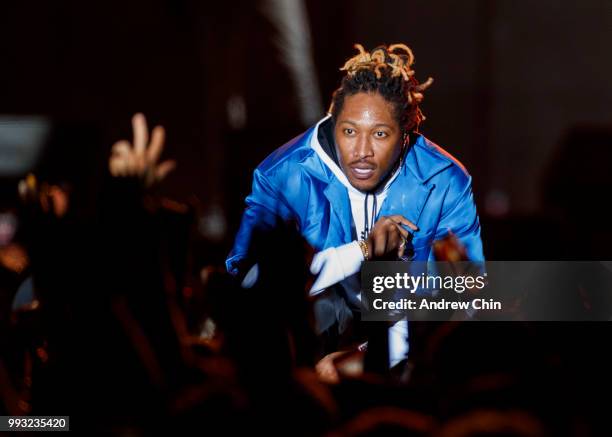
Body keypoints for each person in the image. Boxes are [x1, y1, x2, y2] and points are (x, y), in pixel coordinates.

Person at [226, 43, 484, 380]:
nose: (361, 152)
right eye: (349, 131)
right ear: (334, 123)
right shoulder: (283, 176)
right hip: (301, 360)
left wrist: (364, 356)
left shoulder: (445, 180)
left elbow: (464, 298)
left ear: (406, 134)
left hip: (406, 358)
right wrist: (360, 252)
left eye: (379, 134)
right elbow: (247, 285)